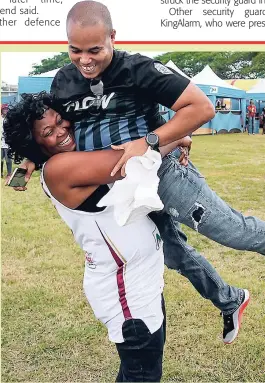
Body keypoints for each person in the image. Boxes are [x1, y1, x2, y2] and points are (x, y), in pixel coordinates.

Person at [15, 1, 265, 345]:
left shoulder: (139, 69)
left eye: (94, 50)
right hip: (119, 191)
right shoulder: (64, 80)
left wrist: (154, 139)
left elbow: (202, 107)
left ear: (112, 38)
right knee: (175, 255)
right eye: (75, 50)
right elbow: (54, 129)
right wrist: (31, 158)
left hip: (159, 174)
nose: (85, 60)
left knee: (234, 232)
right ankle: (230, 299)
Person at [5, 93, 193, 382]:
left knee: (140, 366)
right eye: (48, 133)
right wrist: (176, 137)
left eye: (59, 120)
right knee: (143, 372)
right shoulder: (59, 168)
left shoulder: (75, 156)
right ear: (35, 143)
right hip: (125, 292)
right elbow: (129, 160)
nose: (61, 131)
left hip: (141, 280)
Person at [1, 105, 13, 183]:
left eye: (6, 109)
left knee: (8, 159)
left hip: (7, 143)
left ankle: (9, 174)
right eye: (4, 109)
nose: (5, 110)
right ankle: (1, 173)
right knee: (0, 159)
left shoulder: (10, 119)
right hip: (0, 143)